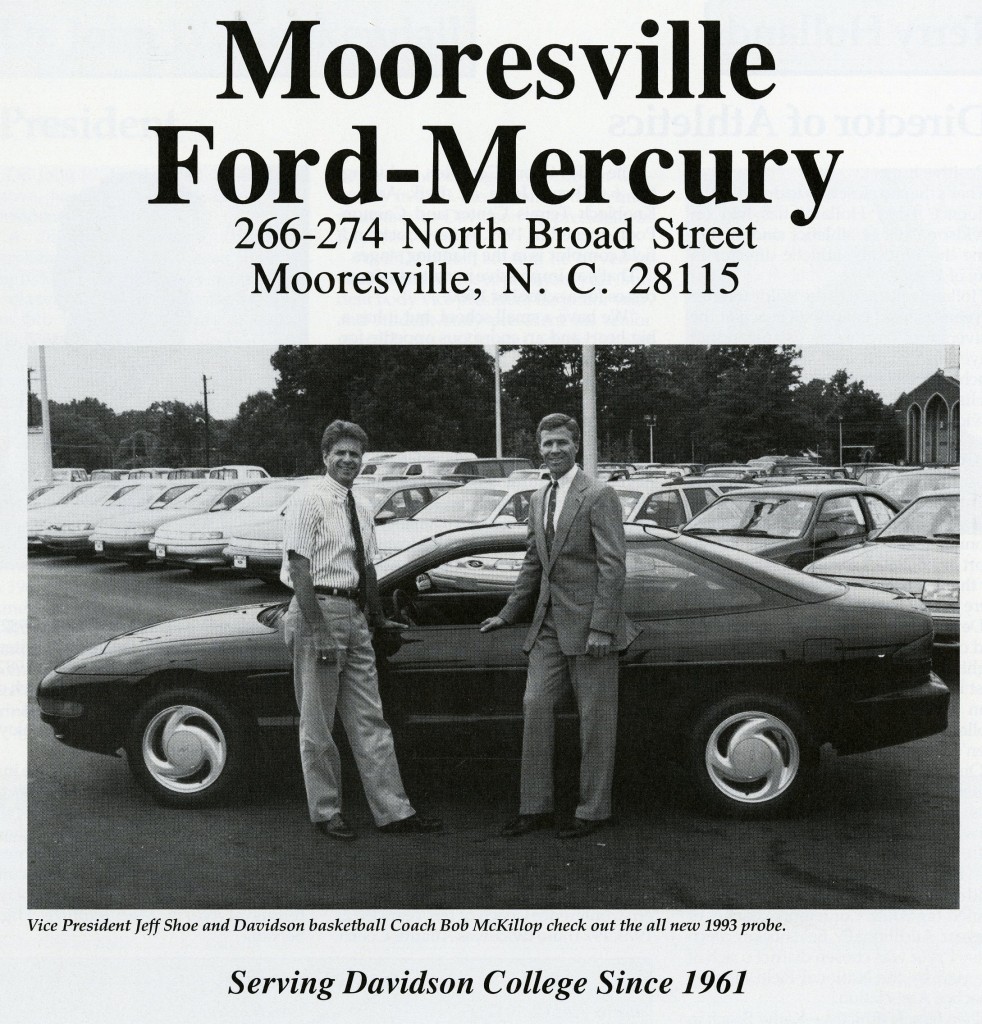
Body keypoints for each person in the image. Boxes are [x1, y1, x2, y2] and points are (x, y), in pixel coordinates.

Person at [281, 420, 442, 841]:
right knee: (317, 722)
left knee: (370, 719)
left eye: (355, 454)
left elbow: (367, 567)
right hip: (318, 610)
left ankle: (394, 810)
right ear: (325, 456)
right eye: (341, 453)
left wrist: (376, 615)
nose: (348, 460)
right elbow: (298, 565)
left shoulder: (362, 505)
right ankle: (326, 810)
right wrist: (317, 630)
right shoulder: (308, 499)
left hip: (353, 617)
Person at [480, 413, 639, 839]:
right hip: (547, 625)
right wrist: (509, 612)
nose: (554, 451)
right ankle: (535, 808)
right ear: (539, 448)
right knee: (535, 709)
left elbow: (613, 564)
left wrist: (602, 627)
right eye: (547, 444)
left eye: (562, 443)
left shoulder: (599, 494)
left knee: (596, 722)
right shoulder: (537, 496)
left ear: (576, 446)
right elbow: (535, 562)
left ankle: (593, 811)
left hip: (591, 631)